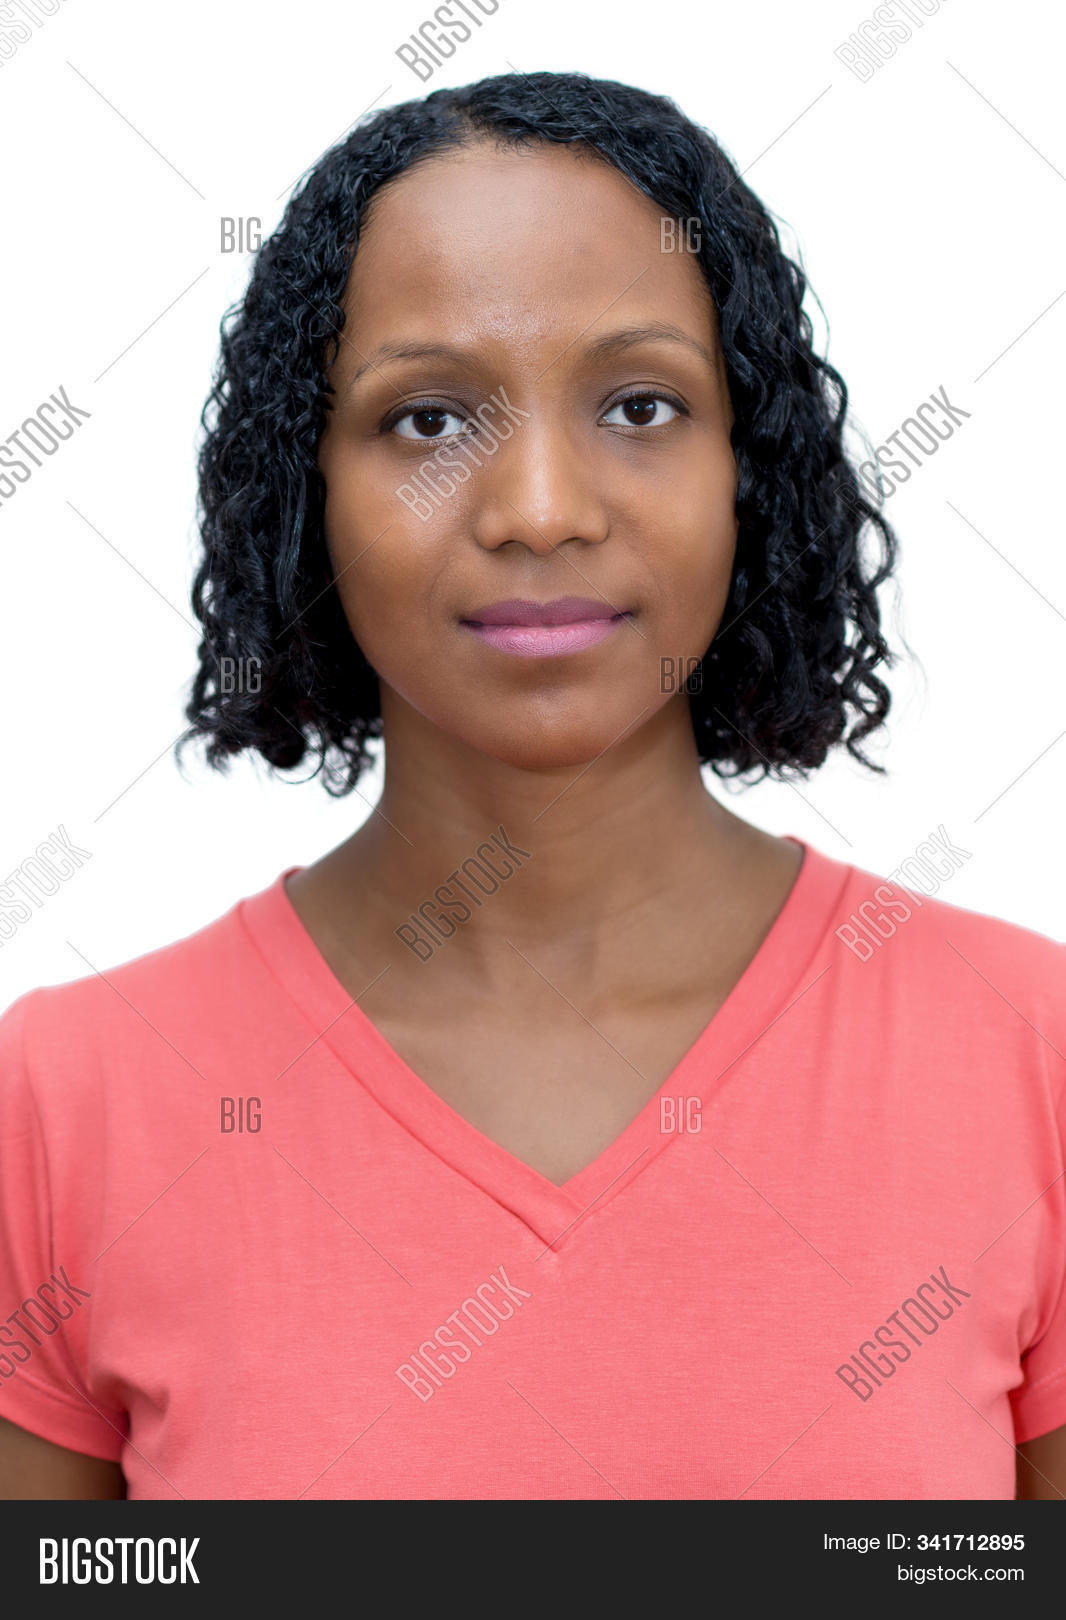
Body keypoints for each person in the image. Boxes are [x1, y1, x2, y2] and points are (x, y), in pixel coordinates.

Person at [1, 72, 1063, 1501]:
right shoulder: (68, 1104)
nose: (540, 509)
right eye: (427, 422)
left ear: (750, 466)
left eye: (638, 403)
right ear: (299, 487)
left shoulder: (1028, 1061)